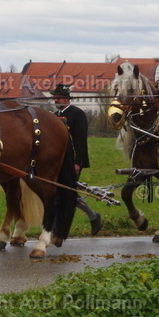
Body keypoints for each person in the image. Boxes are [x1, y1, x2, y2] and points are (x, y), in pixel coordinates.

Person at [52, 83, 103, 235]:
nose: (56, 100)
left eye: (59, 98)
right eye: (55, 98)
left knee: (67, 193)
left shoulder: (77, 114)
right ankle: (93, 217)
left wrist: (77, 162)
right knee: (62, 193)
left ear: (67, 99)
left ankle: (58, 227)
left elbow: (80, 140)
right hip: (57, 162)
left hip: (71, 161)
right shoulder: (54, 116)